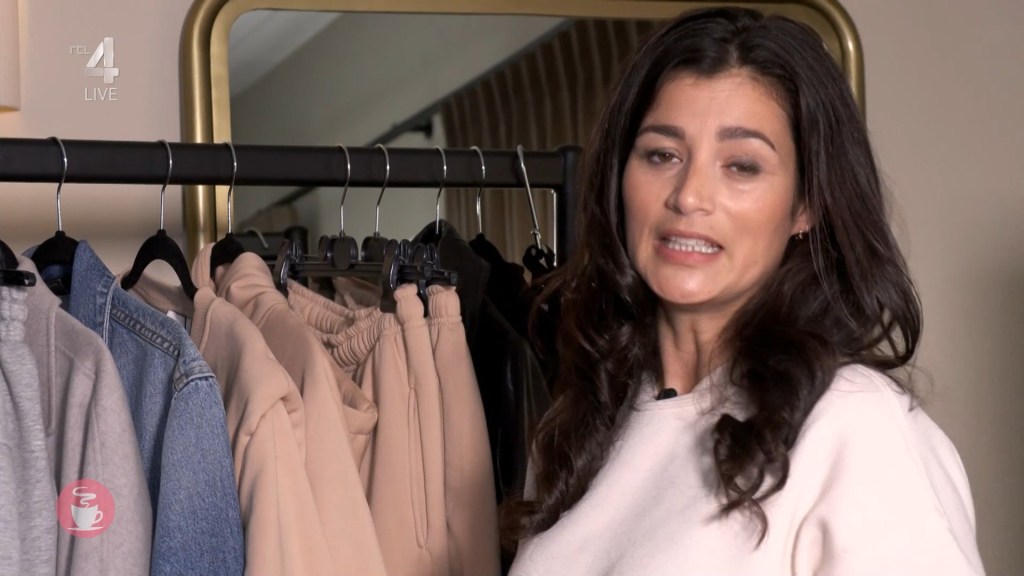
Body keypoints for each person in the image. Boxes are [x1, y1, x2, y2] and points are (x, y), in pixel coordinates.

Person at [503, 7, 985, 575]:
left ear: (806, 205)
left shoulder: (856, 426)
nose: (688, 196)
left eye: (741, 166)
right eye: (662, 155)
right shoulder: (579, 428)